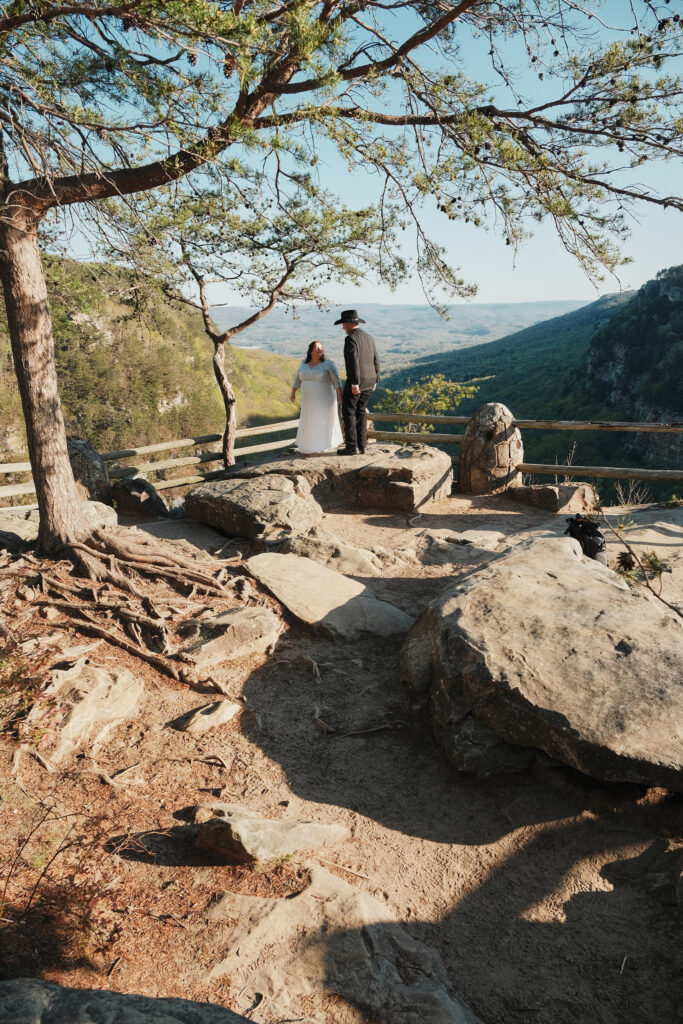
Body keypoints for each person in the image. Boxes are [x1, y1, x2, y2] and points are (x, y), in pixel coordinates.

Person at [335, 308, 380, 455]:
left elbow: (352, 363)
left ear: (348, 324)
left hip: (358, 381)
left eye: (343, 324)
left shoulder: (350, 339)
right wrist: (376, 379)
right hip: (370, 380)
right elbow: (376, 359)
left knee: (347, 411)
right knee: (361, 411)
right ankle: (363, 446)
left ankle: (351, 447)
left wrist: (354, 383)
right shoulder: (369, 337)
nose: (343, 327)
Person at [290, 340, 343, 454]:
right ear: (310, 351)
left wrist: (340, 394)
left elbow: (336, 380)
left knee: (322, 418)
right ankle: (308, 445)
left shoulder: (329, 363)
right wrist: (293, 392)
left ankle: (324, 444)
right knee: (309, 419)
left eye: (321, 347)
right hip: (307, 400)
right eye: (316, 348)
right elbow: (297, 378)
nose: (319, 349)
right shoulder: (303, 363)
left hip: (324, 398)